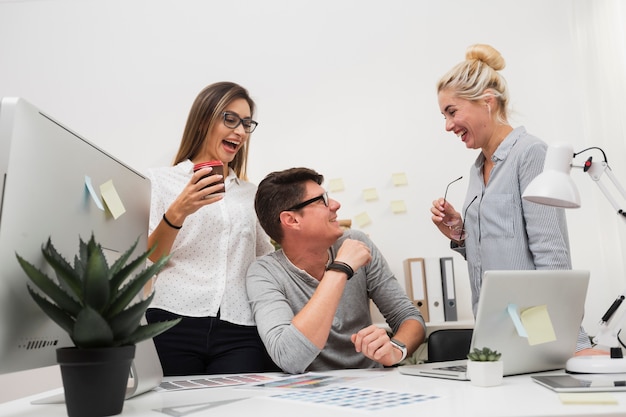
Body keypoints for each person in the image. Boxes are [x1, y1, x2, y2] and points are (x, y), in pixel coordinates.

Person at [430, 44, 598, 353]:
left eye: (452, 112)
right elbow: (499, 254)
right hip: (496, 331)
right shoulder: (477, 168)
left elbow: (552, 256)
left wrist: (571, 345)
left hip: (535, 330)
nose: (447, 125)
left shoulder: (529, 154)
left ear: (487, 102)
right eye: (444, 115)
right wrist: (461, 234)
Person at [145, 81, 277, 376]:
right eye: (230, 119)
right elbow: (147, 261)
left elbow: (265, 260)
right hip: (171, 321)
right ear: (204, 120)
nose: (240, 131)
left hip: (240, 328)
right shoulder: (159, 182)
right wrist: (178, 211)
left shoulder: (251, 194)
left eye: (246, 123)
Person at [246, 167, 426, 374]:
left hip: (372, 383)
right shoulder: (264, 274)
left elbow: (410, 317)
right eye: (322, 200)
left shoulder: (356, 243)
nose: (335, 205)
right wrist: (341, 269)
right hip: (307, 393)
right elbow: (288, 358)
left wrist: (395, 350)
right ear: (291, 220)